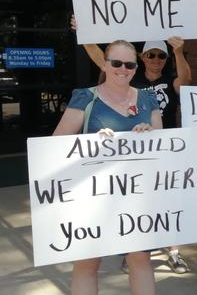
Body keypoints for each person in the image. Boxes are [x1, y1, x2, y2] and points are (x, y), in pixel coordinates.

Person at [71, 16, 192, 274]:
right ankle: (132, 249)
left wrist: (178, 52)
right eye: (151, 54)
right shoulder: (131, 79)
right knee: (132, 202)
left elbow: (187, 81)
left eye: (161, 55)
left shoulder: (170, 81)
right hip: (128, 155)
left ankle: (174, 252)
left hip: (163, 151)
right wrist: (85, 33)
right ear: (142, 58)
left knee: (165, 204)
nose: (156, 59)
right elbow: (103, 61)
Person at [53, 40, 162, 295]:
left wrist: (150, 133)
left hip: (138, 198)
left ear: (136, 67)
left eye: (129, 64)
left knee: (140, 260)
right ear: (104, 63)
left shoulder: (148, 98)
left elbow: (162, 146)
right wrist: (90, 142)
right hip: (94, 197)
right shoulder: (86, 97)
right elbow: (55, 146)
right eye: (116, 63)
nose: (123, 69)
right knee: (87, 263)